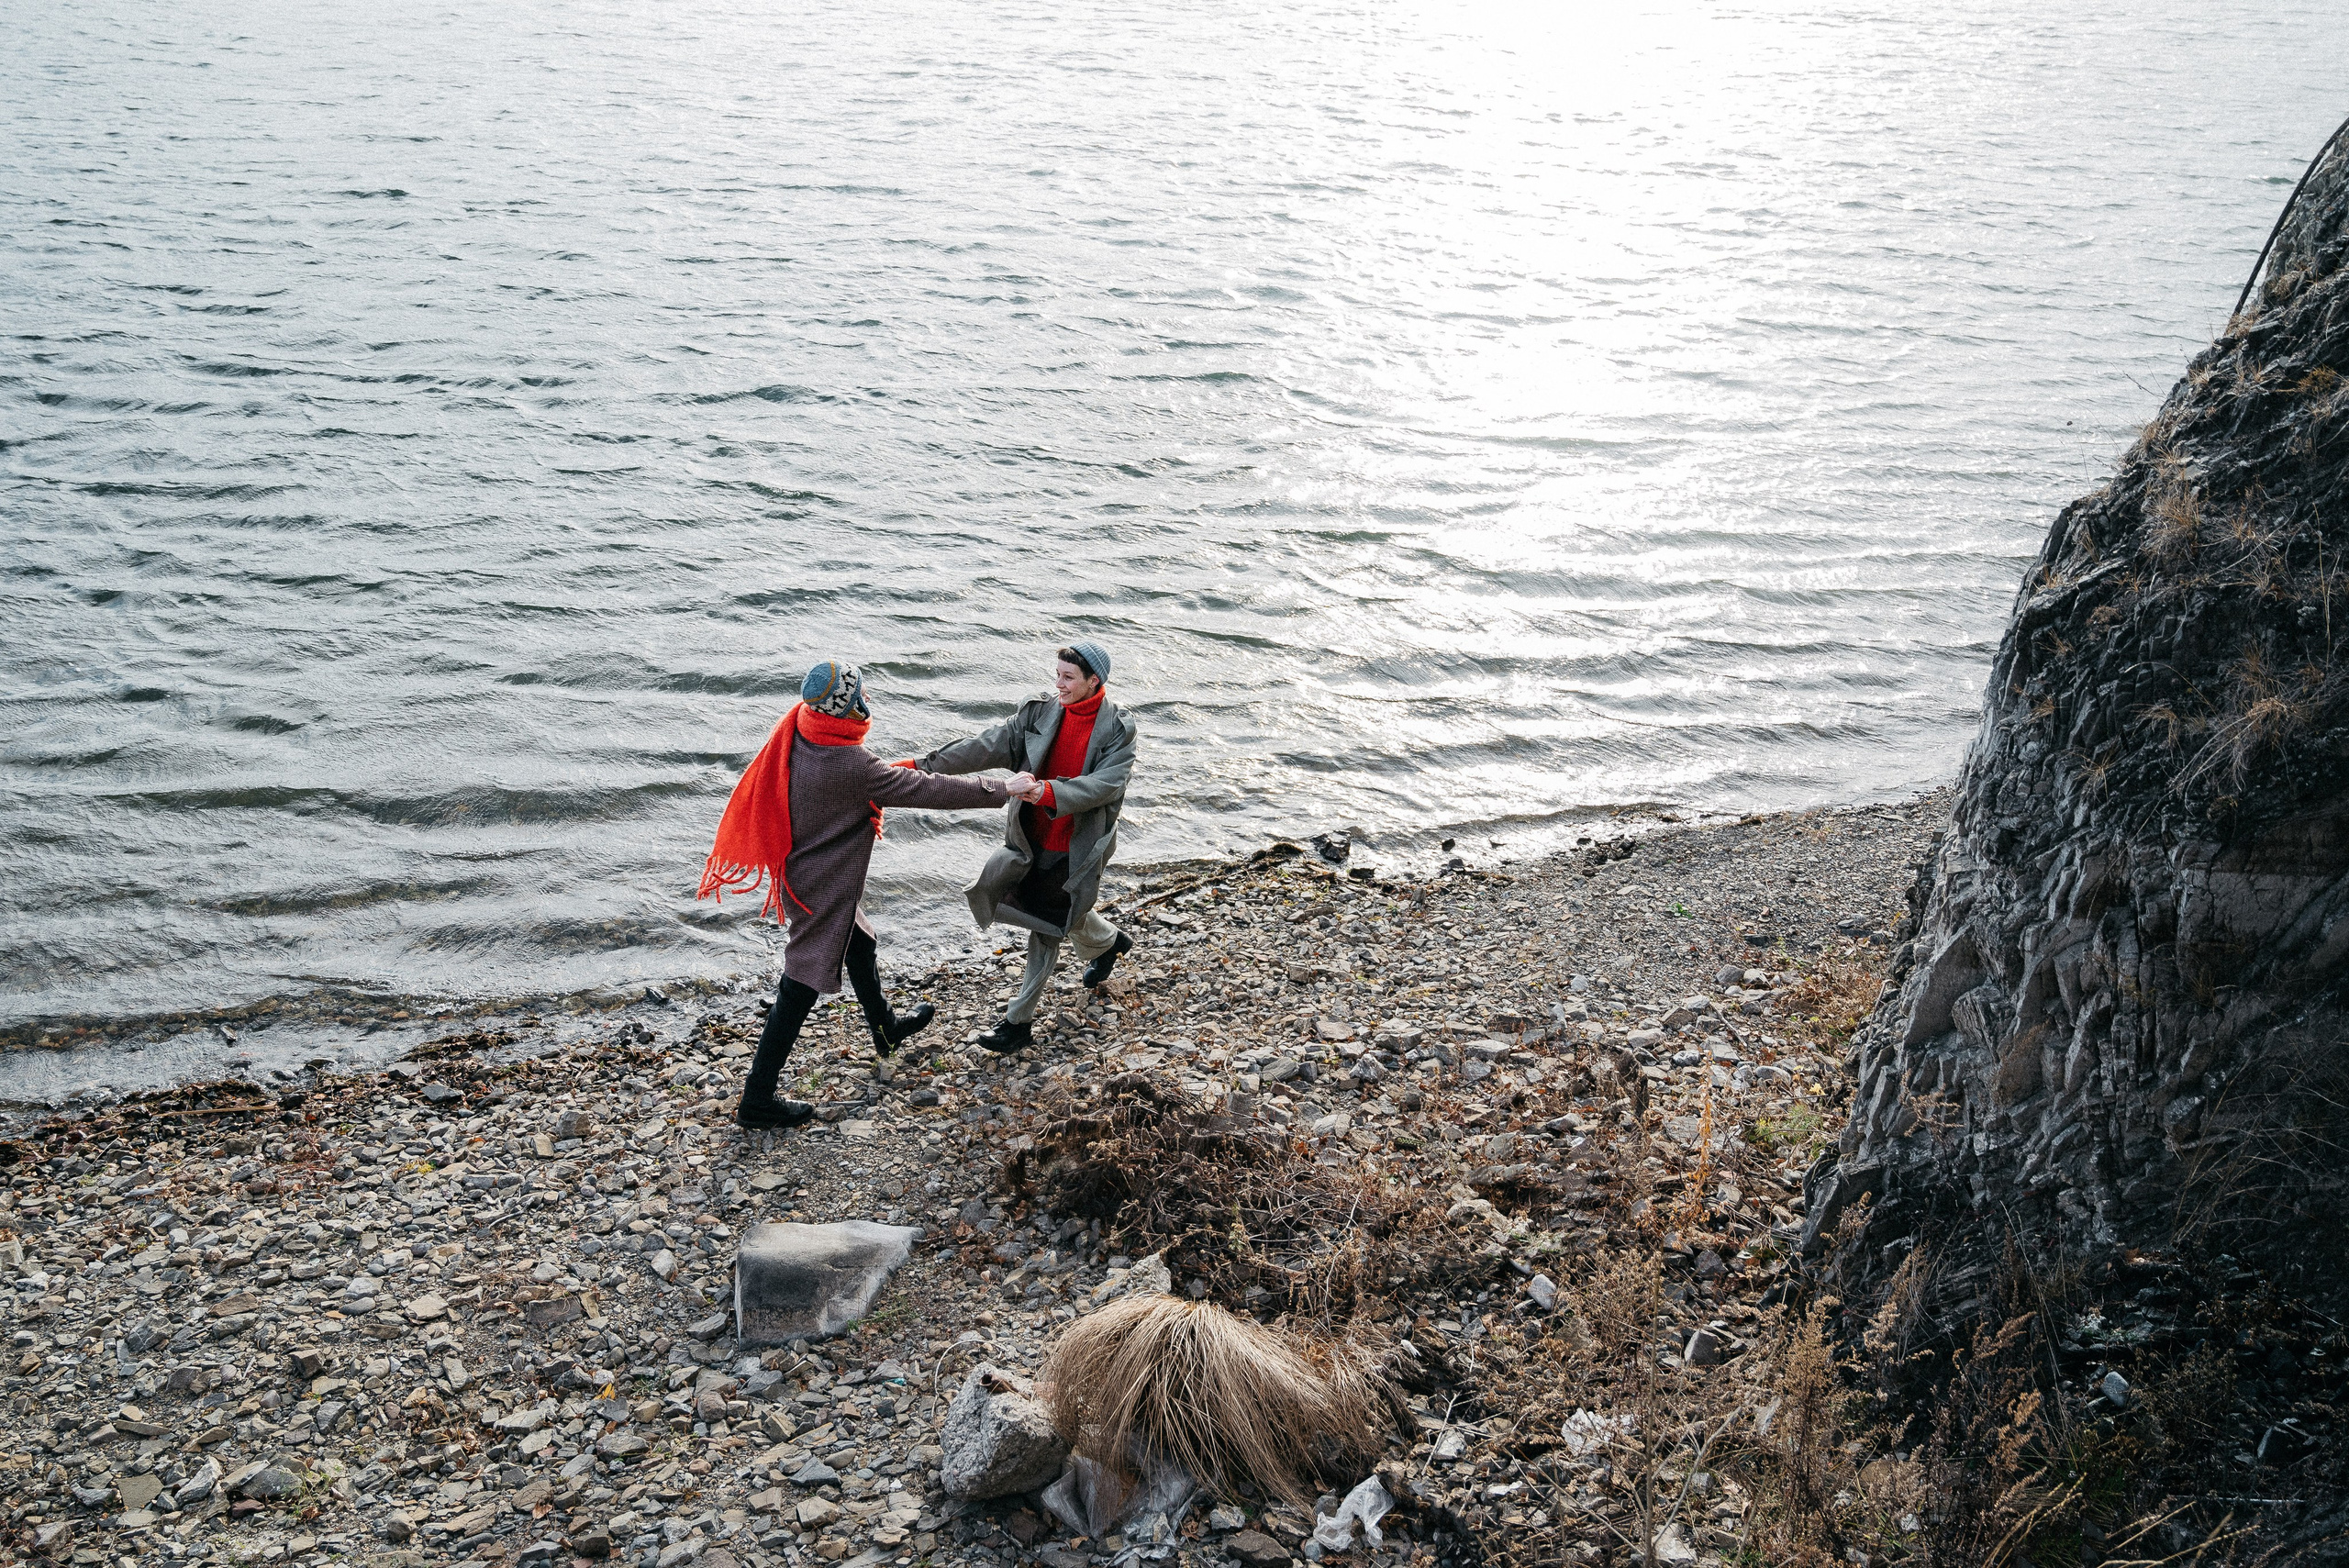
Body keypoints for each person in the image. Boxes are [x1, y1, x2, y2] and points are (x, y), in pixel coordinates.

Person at [700, 661, 1034, 1129]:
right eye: (860, 696)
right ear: (847, 705)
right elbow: (926, 789)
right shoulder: (850, 763)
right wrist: (1003, 787)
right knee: (798, 987)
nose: (867, 702)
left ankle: (886, 1030)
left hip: (802, 868)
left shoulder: (800, 724)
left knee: (861, 944)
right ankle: (757, 1099)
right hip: (822, 884)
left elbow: (880, 779)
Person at [909, 640, 1137, 1053]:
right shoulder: (1039, 711)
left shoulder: (1119, 729)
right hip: (1029, 838)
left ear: (1094, 681)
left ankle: (1018, 1023)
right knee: (1061, 911)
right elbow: (986, 745)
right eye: (1058, 675)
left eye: (1068, 678)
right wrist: (921, 768)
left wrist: (1048, 791)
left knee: (1044, 928)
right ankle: (1110, 941)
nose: (1059, 684)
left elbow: (1107, 785)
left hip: (1076, 844)